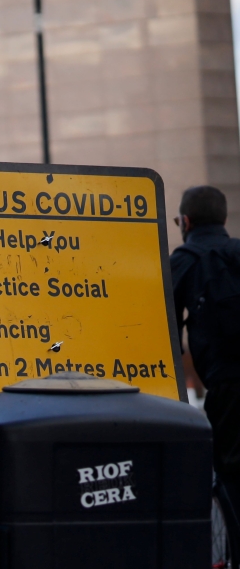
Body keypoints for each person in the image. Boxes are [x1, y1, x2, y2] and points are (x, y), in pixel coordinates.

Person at [171, 185, 240, 517]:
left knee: (230, 473)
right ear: (224, 218)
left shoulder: (185, 261)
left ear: (185, 222)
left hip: (228, 386)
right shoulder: (237, 252)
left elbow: (162, 322)